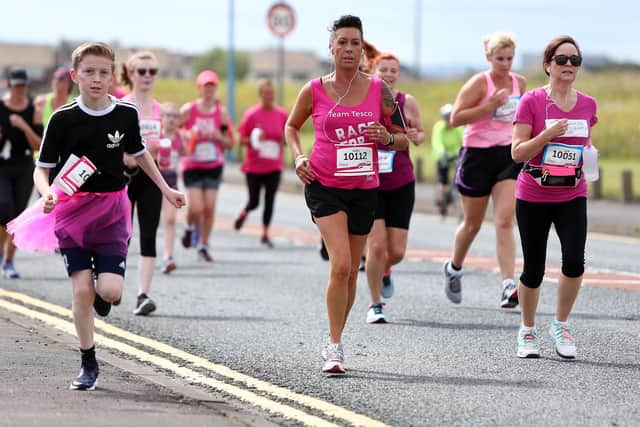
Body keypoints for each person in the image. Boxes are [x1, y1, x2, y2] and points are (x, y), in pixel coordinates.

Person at [8, 42, 185, 390]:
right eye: (89, 72)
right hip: (72, 212)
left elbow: (140, 153)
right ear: (75, 76)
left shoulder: (125, 114)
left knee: (110, 288)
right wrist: (46, 194)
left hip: (112, 211)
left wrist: (166, 189)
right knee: (80, 291)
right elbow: (41, 169)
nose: (96, 79)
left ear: (112, 76)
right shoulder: (62, 118)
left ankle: (105, 297)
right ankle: (88, 361)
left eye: (104, 72)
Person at [285, 15, 409, 374]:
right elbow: (292, 126)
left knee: (352, 272)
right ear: (331, 47)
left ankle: (337, 336)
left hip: (364, 189)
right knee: (340, 264)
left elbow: (405, 137)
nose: (349, 49)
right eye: (342, 42)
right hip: (324, 185)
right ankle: (334, 344)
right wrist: (299, 157)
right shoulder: (314, 89)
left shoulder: (378, 91)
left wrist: (386, 138)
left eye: (355, 42)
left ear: (361, 47)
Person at [511, 36, 596, 359]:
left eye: (575, 60)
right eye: (562, 60)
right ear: (548, 65)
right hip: (533, 193)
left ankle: (560, 324)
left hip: (572, 192)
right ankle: (527, 330)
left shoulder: (588, 104)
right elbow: (517, 153)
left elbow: (584, 145)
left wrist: (589, 159)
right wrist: (546, 135)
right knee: (534, 268)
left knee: (574, 262)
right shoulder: (531, 101)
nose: (569, 66)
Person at [445, 32, 526, 308]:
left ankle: (507, 285)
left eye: (509, 58)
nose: (505, 64)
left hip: (507, 155)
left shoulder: (520, 83)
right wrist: (490, 105)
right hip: (477, 155)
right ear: (488, 57)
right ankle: (454, 267)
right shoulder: (479, 83)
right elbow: (455, 118)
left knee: (504, 220)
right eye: (499, 58)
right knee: (472, 224)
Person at [362, 47, 425, 324]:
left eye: (393, 70)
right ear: (373, 73)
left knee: (396, 252)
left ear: (398, 75)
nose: (388, 74)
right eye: (383, 69)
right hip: (371, 181)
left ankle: (384, 270)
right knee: (376, 247)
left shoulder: (406, 102)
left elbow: (420, 135)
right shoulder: (364, 99)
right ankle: (375, 303)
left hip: (401, 180)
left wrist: (414, 134)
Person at [121, 51, 165, 315]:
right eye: (142, 71)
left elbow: (159, 145)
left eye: (152, 71)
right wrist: (124, 156)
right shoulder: (122, 105)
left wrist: (162, 147)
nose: (147, 76)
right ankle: (110, 286)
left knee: (149, 234)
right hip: (124, 177)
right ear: (130, 74)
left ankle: (142, 295)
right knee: (122, 236)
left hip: (151, 176)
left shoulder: (158, 108)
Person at [179, 70, 234, 261]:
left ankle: (203, 244)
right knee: (196, 207)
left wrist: (219, 136)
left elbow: (230, 142)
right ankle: (188, 228)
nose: (209, 90)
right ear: (199, 88)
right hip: (192, 164)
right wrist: (187, 135)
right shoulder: (189, 110)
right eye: (205, 86)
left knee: (209, 207)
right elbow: (172, 129)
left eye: (212, 86)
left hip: (213, 164)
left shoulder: (222, 114)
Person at [233, 80, 288, 247]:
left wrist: (282, 139)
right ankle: (244, 211)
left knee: (270, 200)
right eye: (265, 93)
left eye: (271, 94)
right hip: (254, 166)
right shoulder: (252, 115)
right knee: (255, 201)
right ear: (260, 94)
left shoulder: (282, 115)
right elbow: (240, 139)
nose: (268, 97)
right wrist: (254, 138)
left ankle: (265, 233)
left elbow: (287, 138)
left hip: (274, 166)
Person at [0, 68, 43, 278]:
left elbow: (38, 145)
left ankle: (9, 261)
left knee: (17, 216)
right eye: (16, 85)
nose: (20, 89)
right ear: (9, 85)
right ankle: (1, 254)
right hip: (2, 167)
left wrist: (23, 125)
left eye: (23, 85)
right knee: (3, 207)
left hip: (25, 167)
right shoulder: (1, 107)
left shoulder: (33, 109)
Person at [158, 102, 189, 273]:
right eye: (168, 115)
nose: (171, 119)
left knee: (170, 220)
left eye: (175, 116)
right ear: (161, 118)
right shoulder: (157, 135)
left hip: (171, 181)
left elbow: (186, 152)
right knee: (149, 221)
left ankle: (168, 256)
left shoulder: (179, 137)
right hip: (154, 181)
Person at [431, 103, 463, 217]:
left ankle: (455, 197)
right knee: (442, 179)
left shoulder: (458, 127)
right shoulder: (439, 127)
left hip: (455, 154)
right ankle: (441, 201)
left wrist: (460, 152)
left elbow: (463, 141)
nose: (448, 121)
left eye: (450, 118)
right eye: (446, 118)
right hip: (442, 155)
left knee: (459, 176)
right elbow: (437, 142)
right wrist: (442, 152)